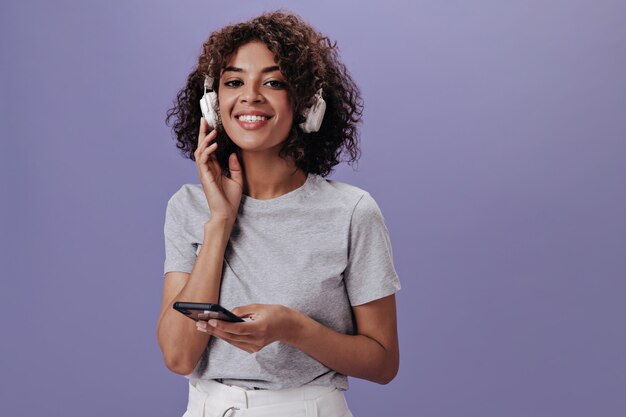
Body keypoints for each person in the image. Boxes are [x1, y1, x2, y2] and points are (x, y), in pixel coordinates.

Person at [157, 10, 401, 417]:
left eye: (274, 82)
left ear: (308, 103)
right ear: (213, 104)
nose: (250, 96)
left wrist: (292, 328)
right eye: (234, 82)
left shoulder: (352, 212)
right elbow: (180, 357)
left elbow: (382, 363)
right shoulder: (188, 206)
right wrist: (220, 222)